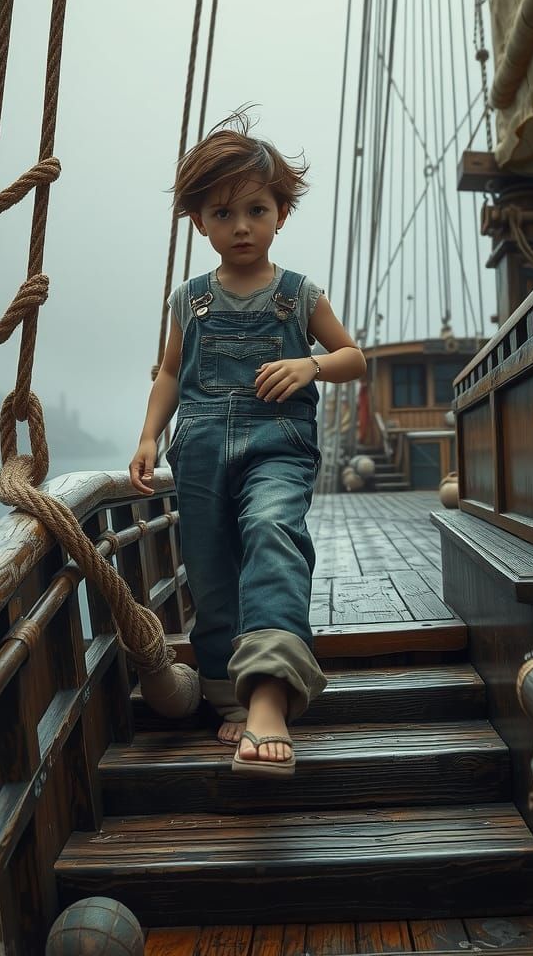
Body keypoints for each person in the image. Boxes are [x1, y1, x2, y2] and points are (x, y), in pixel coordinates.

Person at [129, 113, 366, 777]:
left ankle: (270, 695)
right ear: (199, 221)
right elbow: (172, 373)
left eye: (256, 210)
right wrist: (149, 435)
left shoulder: (297, 296)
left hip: (278, 442)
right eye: (222, 211)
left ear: (281, 215)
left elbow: (355, 356)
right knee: (208, 567)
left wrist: (310, 365)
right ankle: (225, 692)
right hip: (199, 444)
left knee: (269, 530)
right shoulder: (188, 301)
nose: (240, 226)